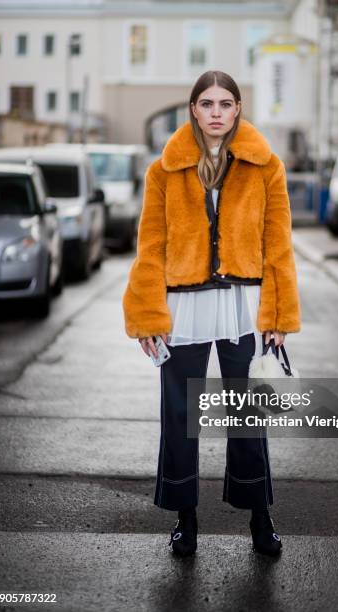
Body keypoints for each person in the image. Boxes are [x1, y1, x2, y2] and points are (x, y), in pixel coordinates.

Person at [122, 70, 301, 557]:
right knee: (180, 415)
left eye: (225, 103)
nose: (217, 112)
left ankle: (261, 518)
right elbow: (150, 247)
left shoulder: (266, 167)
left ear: (238, 109)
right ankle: (186, 519)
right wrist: (146, 317)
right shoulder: (164, 170)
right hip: (183, 307)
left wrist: (279, 316)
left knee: (247, 414)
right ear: (194, 110)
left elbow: (278, 248)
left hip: (241, 305)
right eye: (207, 103)